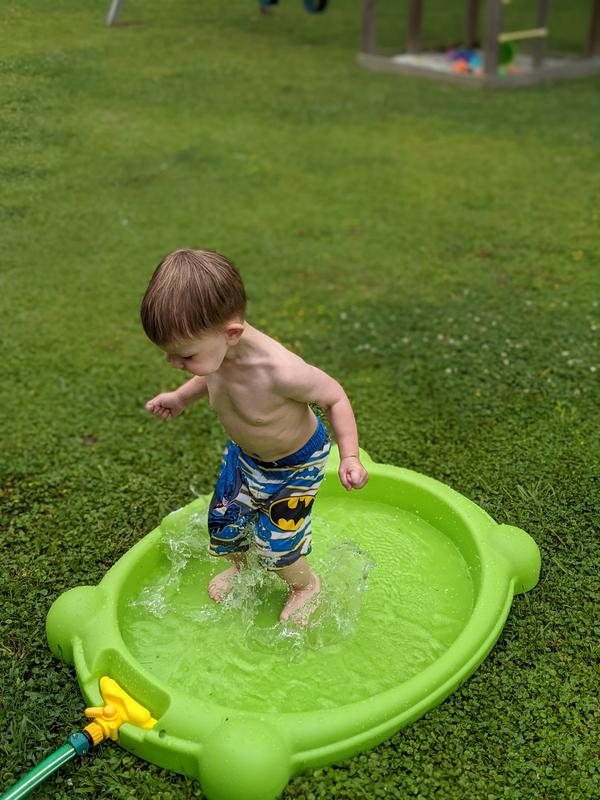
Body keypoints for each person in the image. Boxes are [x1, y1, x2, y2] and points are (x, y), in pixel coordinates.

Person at [141, 249, 368, 624]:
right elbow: (210, 372)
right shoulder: (216, 352)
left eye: (185, 357)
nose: (175, 364)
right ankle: (245, 568)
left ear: (231, 334)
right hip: (246, 456)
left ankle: (305, 586)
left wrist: (350, 456)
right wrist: (181, 397)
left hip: (296, 463)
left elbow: (334, 396)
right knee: (225, 524)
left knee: (276, 544)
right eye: (171, 356)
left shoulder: (280, 371)